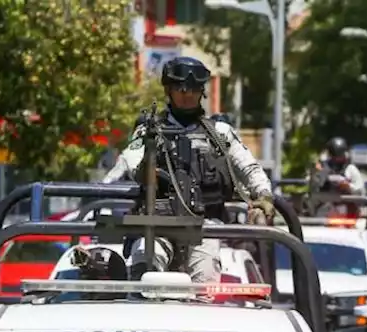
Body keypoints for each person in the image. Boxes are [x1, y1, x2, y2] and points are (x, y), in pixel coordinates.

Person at [103, 56, 275, 283]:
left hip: (205, 227)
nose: (187, 94)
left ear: (201, 91)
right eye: (180, 88)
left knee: (205, 276)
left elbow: (250, 168)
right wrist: (148, 167)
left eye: (193, 88)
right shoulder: (149, 131)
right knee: (145, 267)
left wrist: (263, 195)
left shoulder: (220, 133)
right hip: (157, 223)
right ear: (169, 90)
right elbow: (130, 164)